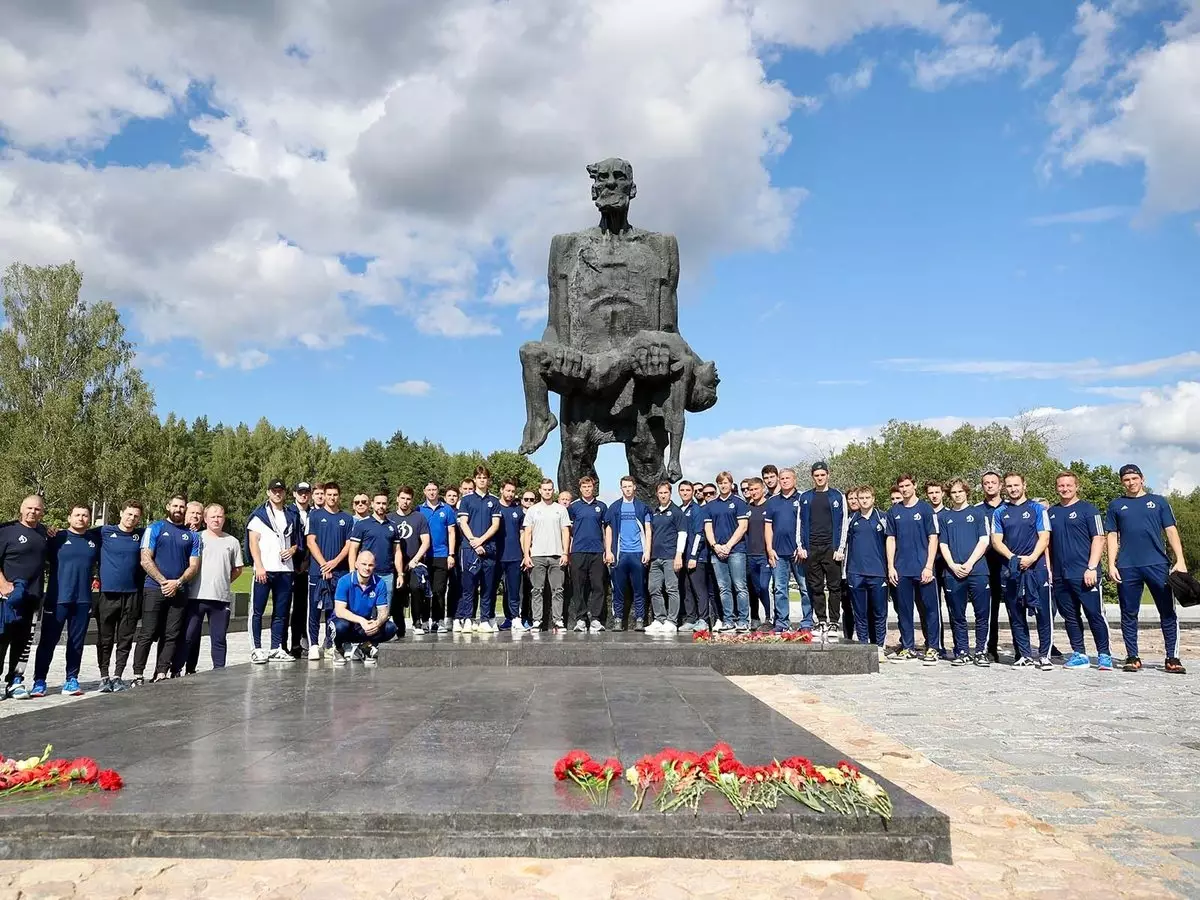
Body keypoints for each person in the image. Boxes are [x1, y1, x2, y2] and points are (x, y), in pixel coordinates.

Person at [1104, 463, 1187, 674]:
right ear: (1122, 482)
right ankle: (1132, 656)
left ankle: (1172, 657)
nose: (1130, 483)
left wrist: (1180, 560)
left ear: (1142, 479)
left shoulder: (1158, 502)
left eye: (1134, 479)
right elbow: (1112, 536)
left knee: (1167, 611)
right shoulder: (1115, 505)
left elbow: (1170, 531)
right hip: (1127, 565)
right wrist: (1111, 563)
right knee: (1129, 613)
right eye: (1126, 480)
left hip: (1157, 563)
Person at [29, 504, 100, 698]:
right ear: (69, 518)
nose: (81, 518)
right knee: (47, 642)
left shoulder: (94, 540)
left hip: (83, 601)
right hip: (57, 599)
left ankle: (71, 679)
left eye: (85, 515)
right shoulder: (56, 538)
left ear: (90, 519)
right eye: (77, 515)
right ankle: (39, 681)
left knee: (76, 643)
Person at [133, 495, 201, 683]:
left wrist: (177, 583)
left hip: (179, 591)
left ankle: (161, 672)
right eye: (175, 506)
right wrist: (164, 582)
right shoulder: (155, 528)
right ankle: (138, 674)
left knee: (171, 634)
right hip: (154, 589)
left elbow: (194, 565)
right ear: (168, 506)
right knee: (147, 632)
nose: (178, 509)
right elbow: (145, 558)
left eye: (182, 507)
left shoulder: (193, 536)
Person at [1048, 472, 1112, 671]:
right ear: (1057, 487)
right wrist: (1050, 570)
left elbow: (1099, 538)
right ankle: (1079, 653)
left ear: (1077, 486)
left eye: (1068, 485)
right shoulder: (1051, 512)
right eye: (1061, 486)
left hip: (1085, 573)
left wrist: (1092, 567)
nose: (1065, 489)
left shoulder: (1089, 510)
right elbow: (1047, 544)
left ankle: (1104, 655)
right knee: (1070, 616)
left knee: (1094, 614)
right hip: (1060, 575)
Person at [991, 473, 1054, 671]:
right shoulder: (1000, 512)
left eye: (1016, 485)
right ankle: (1025, 655)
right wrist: (1013, 558)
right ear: (1004, 488)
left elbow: (1044, 537)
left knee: (1043, 612)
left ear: (1024, 485)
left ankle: (1044, 655)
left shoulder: (1037, 509)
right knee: (1015, 612)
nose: (1013, 489)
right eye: (1009, 486)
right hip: (1012, 568)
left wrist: (1032, 558)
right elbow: (996, 541)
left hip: (1037, 567)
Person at [884, 475, 941, 665]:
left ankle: (933, 647)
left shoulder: (925, 509)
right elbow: (890, 539)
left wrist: (928, 566)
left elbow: (933, 538)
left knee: (930, 610)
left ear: (914, 486)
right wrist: (891, 566)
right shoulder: (894, 511)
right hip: (902, 569)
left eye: (907, 485)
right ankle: (908, 647)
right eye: (901, 486)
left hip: (922, 569)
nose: (904, 489)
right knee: (905, 611)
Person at [246, 480, 302, 664]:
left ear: (285, 493)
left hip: (285, 570)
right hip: (265, 569)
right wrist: (259, 566)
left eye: (280, 491)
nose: (277, 494)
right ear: (268, 492)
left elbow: (297, 542)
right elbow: (253, 542)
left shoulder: (291, 515)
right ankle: (256, 649)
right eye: (274, 490)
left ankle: (276, 647)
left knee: (281, 611)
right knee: (257, 611)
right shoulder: (259, 515)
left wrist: (293, 551)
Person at [0, 495, 49, 699]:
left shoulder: (44, 532)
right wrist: (3, 584)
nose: (33, 512)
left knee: (23, 641)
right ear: (21, 508)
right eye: (29, 508)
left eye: (37, 509)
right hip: (7, 598)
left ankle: (15, 681)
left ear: (42, 512)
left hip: (33, 597)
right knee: (2, 639)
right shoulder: (6, 531)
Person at [937, 480, 991, 667]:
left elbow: (984, 540)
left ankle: (981, 651)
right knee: (957, 615)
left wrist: (969, 563)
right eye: (953, 492)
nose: (957, 495)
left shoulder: (978, 513)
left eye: (960, 491)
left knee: (982, 614)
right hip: (952, 573)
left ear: (966, 492)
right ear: (949, 495)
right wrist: (952, 565)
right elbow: (942, 543)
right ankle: (962, 650)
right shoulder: (945, 517)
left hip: (977, 571)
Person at [183, 504, 244, 670]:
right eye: (213, 517)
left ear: (224, 519)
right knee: (190, 637)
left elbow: (238, 569)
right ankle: (186, 669)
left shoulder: (232, 541)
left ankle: (219, 671)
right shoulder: (197, 538)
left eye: (220, 516)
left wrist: (223, 581)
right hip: (196, 596)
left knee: (219, 639)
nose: (216, 520)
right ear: (205, 519)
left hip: (220, 599)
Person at [96, 501, 145, 693]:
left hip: (132, 595)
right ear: (121, 513)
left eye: (136, 516)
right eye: (129, 514)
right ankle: (104, 676)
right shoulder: (104, 532)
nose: (132, 518)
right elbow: (78, 531)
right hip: (108, 594)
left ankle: (117, 676)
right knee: (105, 638)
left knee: (125, 638)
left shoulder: (141, 535)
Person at [798, 462, 848, 642]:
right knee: (816, 587)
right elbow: (800, 523)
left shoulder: (837, 496)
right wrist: (800, 546)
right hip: (812, 548)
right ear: (813, 476)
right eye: (816, 475)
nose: (819, 478)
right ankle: (821, 620)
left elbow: (843, 524)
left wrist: (840, 548)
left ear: (828, 475)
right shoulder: (805, 497)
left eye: (822, 475)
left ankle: (834, 621)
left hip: (831, 548)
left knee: (834, 587)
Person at [305, 482, 353, 660]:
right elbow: (311, 542)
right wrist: (324, 564)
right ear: (323, 495)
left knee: (334, 609)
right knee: (315, 609)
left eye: (335, 495)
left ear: (339, 496)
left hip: (338, 572)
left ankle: (330, 643)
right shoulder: (315, 516)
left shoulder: (346, 519)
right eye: (329, 494)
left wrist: (334, 563)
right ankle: (313, 645)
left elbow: (349, 545)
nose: (332, 498)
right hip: (318, 572)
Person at [349, 491, 404, 635]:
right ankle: (361, 639)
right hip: (366, 574)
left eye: (384, 503)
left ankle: (377, 640)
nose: (381, 506)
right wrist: (352, 572)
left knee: (383, 611)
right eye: (378, 503)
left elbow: (397, 551)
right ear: (372, 504)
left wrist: (400, 574)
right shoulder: (362, 525)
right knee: (364, 609)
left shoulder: (392, 526)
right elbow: (353, 550)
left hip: (387, 574)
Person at [331, 551, 398, 665]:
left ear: (374, 566)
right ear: (356, 564)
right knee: (340, 626)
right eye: (364, 564)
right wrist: (361, 620)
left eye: (370, 565)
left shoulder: (379, 583)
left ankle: (365, 647)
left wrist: (378, 623)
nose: (367, 568)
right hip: (347, 622)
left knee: (391, 627)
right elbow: (339, 610)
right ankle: (338, 648)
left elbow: (383, 611)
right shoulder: (345, 581)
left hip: (366, 625)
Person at [455, 466, 501, 633]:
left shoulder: (494, 502)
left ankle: (484, 619)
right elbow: (463, 523)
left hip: (489, 549)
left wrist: (482, 541)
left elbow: (495, 525)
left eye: (485, 477)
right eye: (479, 477)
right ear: (474, 479)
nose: (482, 480)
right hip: (470, 549)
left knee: (487, 586)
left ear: (488, 480)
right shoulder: (466, 500)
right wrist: (474, 542)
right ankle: (467, 618)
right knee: (469, 586)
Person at [522, 478, 572, 631]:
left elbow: (566, 532)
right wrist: (526, 555)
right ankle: (537, 620)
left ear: (553, 490)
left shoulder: (561, 509)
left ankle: (558, 620)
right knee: (537, 590)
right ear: (540, 490)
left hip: (557, 555)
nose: (547, 492)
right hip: (537, 555)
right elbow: (527, 533)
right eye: (545, 489)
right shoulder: (533, 510)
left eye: (550, 489)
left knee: (558, 590)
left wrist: (565, 552)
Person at [704, 471, 750, 633]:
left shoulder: (739, 503)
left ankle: (743, 620)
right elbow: (708, 528)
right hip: (717, 552)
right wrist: (715, 545)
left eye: (726, 482)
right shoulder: (711, 505)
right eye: (720, 483)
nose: (723, 485)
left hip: (736, 550)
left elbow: (743, 526)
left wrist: (729, 545)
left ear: (731, 484)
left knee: (739, 586)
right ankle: (728, 620)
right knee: (723, 588)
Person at [603, 476, 651, 631]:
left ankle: (639, 619)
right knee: (618, 589)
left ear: (634, 487)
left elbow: (648, 530)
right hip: (620, 554)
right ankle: (618, 619)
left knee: (639, 589)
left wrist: (647, 551)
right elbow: (608, 530)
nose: (628, 489)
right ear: (621, 488)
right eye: (625, 486)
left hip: (638, 553)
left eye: (630, 486)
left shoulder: (642, 507)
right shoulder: (615, 507)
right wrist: (609, 550)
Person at [845, 487, 889, 654]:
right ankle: (863, 646)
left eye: (867, 497)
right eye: (860, 497)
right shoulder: (851, 520)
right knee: (860, 613)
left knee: (879, 613)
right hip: (856, 573)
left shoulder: (882, 518)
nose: (863, 500)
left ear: (873, 498)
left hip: (878, 573)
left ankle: (879, 646)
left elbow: (890, 544)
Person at [764, 468, 807, 635]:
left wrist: (803, 547)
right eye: (782, 478)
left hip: (798, 552)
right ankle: (782, 622)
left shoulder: (803, 498)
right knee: (780, 589)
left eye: (788, 478)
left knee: (804, 587)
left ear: (794, 480)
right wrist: (769, 548)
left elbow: (807, 525)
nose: (785, 481)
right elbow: (768, 526)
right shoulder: (773, 501)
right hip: (778, 553)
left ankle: (807, 622)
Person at [390, 486, 432, 636]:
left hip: (415, 564)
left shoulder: (419, 518)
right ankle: (399, 627)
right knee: (397, 594)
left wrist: (414, 560)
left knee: (416, 588)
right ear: (397, 498)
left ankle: (417, 622)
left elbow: (426, 542)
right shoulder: (390, 518)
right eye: (402, 498)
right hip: (396, 565)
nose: (405, 502)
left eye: (408, 499)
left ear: (412, 500)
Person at [568, 476, 608, 632]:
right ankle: (581, 619)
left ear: (593, 487)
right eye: (584, 487)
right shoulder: (573, 507)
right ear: (580, 489)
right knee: (578, 587)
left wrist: (607, 550)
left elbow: (605, 530)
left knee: (598, 586)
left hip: (597, 551)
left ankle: (596, 619)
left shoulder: (602, 506)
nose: (587, 489)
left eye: (589, 486)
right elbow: (568, 531)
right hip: (578, 551)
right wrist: (568, 551)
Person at [647, 481, 685, 634]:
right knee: (654, 588)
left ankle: (671, 621)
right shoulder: (654, 512)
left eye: (666, 493)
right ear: (657, 494)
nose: (663, 495)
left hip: (671, 556)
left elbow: (682, 534)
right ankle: (659, 619)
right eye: (660, 493)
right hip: (656, 557)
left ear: (670, 494)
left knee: (671, 589)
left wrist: (678, 555)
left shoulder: (676, 512)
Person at [418, 482, 456, 635]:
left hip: (442, 554)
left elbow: (451, 532)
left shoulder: (446, 509)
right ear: (424, 491)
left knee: (439, 590)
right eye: (429, 490)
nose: (432, 492)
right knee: (425, 590)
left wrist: (451, 554)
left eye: (434, 490)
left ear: (438, 491)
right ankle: (425, 620)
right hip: (424, 556)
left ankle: (438, 620)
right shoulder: (419, 510)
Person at [284, 481, 315, 657]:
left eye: (306, 492)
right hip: (289, 564)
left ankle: (299, 642)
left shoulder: (314, 513)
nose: (304, 495)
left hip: (307, 565)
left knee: (302, 606)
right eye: (300, 492)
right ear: (295, 494)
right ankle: (282, 644)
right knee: (285, 606)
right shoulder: (288, 512)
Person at [979, 471, 1007, 662]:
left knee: (1018, 608)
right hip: (987, 566)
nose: (990, 486)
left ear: (1000, 486)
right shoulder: (977, 510)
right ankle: (991, 647)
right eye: (986, 483)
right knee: (991, 609)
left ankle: (1023, 649)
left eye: (993, 482)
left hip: (1009, 563)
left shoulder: (1009, 507)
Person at [177, 499, 207, 676]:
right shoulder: (175, 532)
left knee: (193, 633)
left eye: (198, 513)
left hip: (196, 592)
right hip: (176, 588)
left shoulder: (204, 536)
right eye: (192, 513)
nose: (195, 516)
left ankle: (190, 667)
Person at [677, 481, 709, 633]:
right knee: (686, 589)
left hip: (695, 557)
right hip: (682, 557)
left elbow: (699, 534)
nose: (685, 493)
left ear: (692, 492)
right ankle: (690, 619)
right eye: (682, 490)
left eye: (687, 490)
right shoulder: (679, 510)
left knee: (699, 589)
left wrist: (694, 556)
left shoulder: (696, 510)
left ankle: (703, 619)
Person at [495, 479, 527, 632]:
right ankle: (489, 618)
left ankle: (514, 618)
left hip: (514, 555)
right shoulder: (494, 507)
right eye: (508, 490)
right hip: (496, 556)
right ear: (502, 490)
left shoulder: (518, 510)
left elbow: (522, 533)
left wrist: (524, 554)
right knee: (492, 589)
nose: (510, 494)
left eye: (513, 491)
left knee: (514, 590)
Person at [744, 477, 773, 633]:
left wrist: (771, 550)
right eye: (751, 489)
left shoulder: (770, 506)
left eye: (756, 489)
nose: (753, 492)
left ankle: (771, 617)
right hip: (750, 555)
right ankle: (764, 617)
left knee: (764, 586)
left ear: (762, 489)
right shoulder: (747, 509)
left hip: (765, 555)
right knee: (755, 589)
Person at [443, 485, 461, 631]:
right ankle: (444, 617)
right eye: (449, 495)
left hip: (459, 552)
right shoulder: (442, 511)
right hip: (443, 553)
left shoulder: (461, 511)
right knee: (441, 588)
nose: (452, 498)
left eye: (455, 496)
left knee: (457, 586)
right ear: (445, 497)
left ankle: (457, 616)